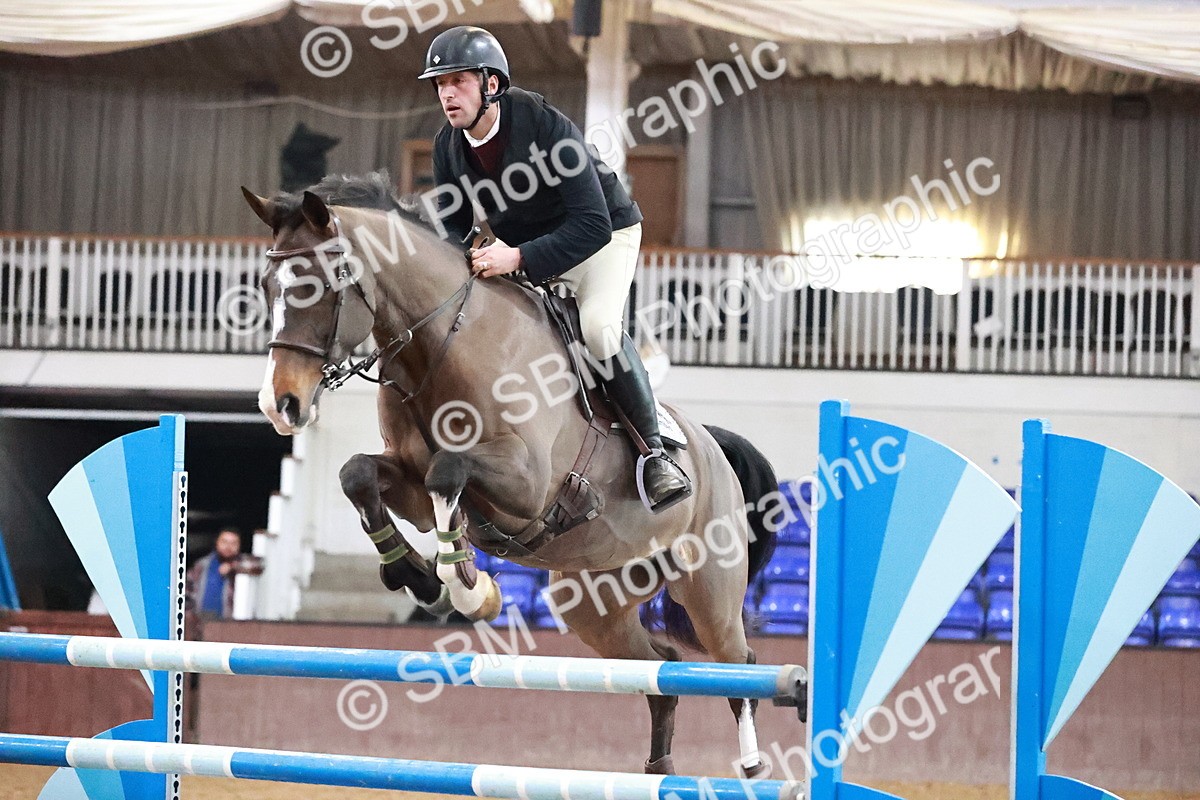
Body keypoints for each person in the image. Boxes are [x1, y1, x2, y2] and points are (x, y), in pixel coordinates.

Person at [420, 25, 691, 513]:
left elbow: (593, 226)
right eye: (440, 84)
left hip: (604, 236)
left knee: (599, 328)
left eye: (458, 81)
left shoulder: (545, 126)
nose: (447, 94)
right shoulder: (447, 146)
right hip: (526, 249)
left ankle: (655, 454)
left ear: (492, 85)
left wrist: (516, 257)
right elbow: (452, 232)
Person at [186, 527, 242, 619]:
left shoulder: (243, 571)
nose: (228, 547)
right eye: (224, 542)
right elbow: (185, 591)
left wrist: (233, 568)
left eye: (233, 543)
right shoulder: (202, 565)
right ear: (217, 542)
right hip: (200, 622)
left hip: (230, 624)